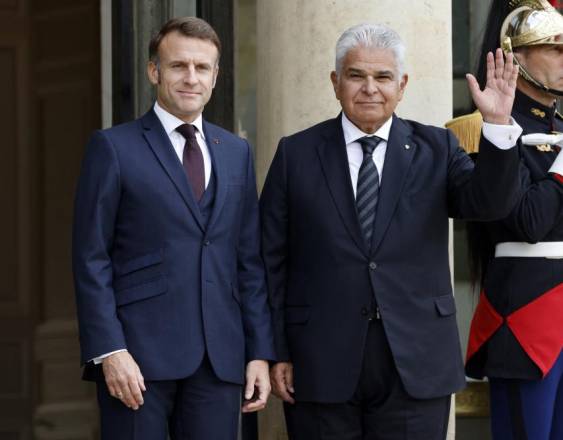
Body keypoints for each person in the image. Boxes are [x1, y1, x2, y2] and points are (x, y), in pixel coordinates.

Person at [260, 23, 523, 440]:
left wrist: (497, 126)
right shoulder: (296, 155)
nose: (370, 88)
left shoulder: (438, 148)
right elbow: (269, 261)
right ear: (335, 82)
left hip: (416, 361)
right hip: (319, 362)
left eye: (382, 77)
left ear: (401, 86)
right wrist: (273, 351)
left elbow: (489, 205)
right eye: (356, 75)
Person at [72, 16, 274, 440]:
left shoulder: (236, 152)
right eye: (179, 65)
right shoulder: (113, 148)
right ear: (154, 71)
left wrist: (259, 352)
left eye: (202, 68)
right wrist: (110, 350)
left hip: (220, 361)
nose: (191, 77)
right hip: (137, 361)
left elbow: (249, 262)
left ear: (216, 76)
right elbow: (91, 258)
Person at [459, 1, 563, 438]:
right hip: (527, 316)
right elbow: (528, 221)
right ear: (515, 57)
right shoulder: (488, 127)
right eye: (555, 48)